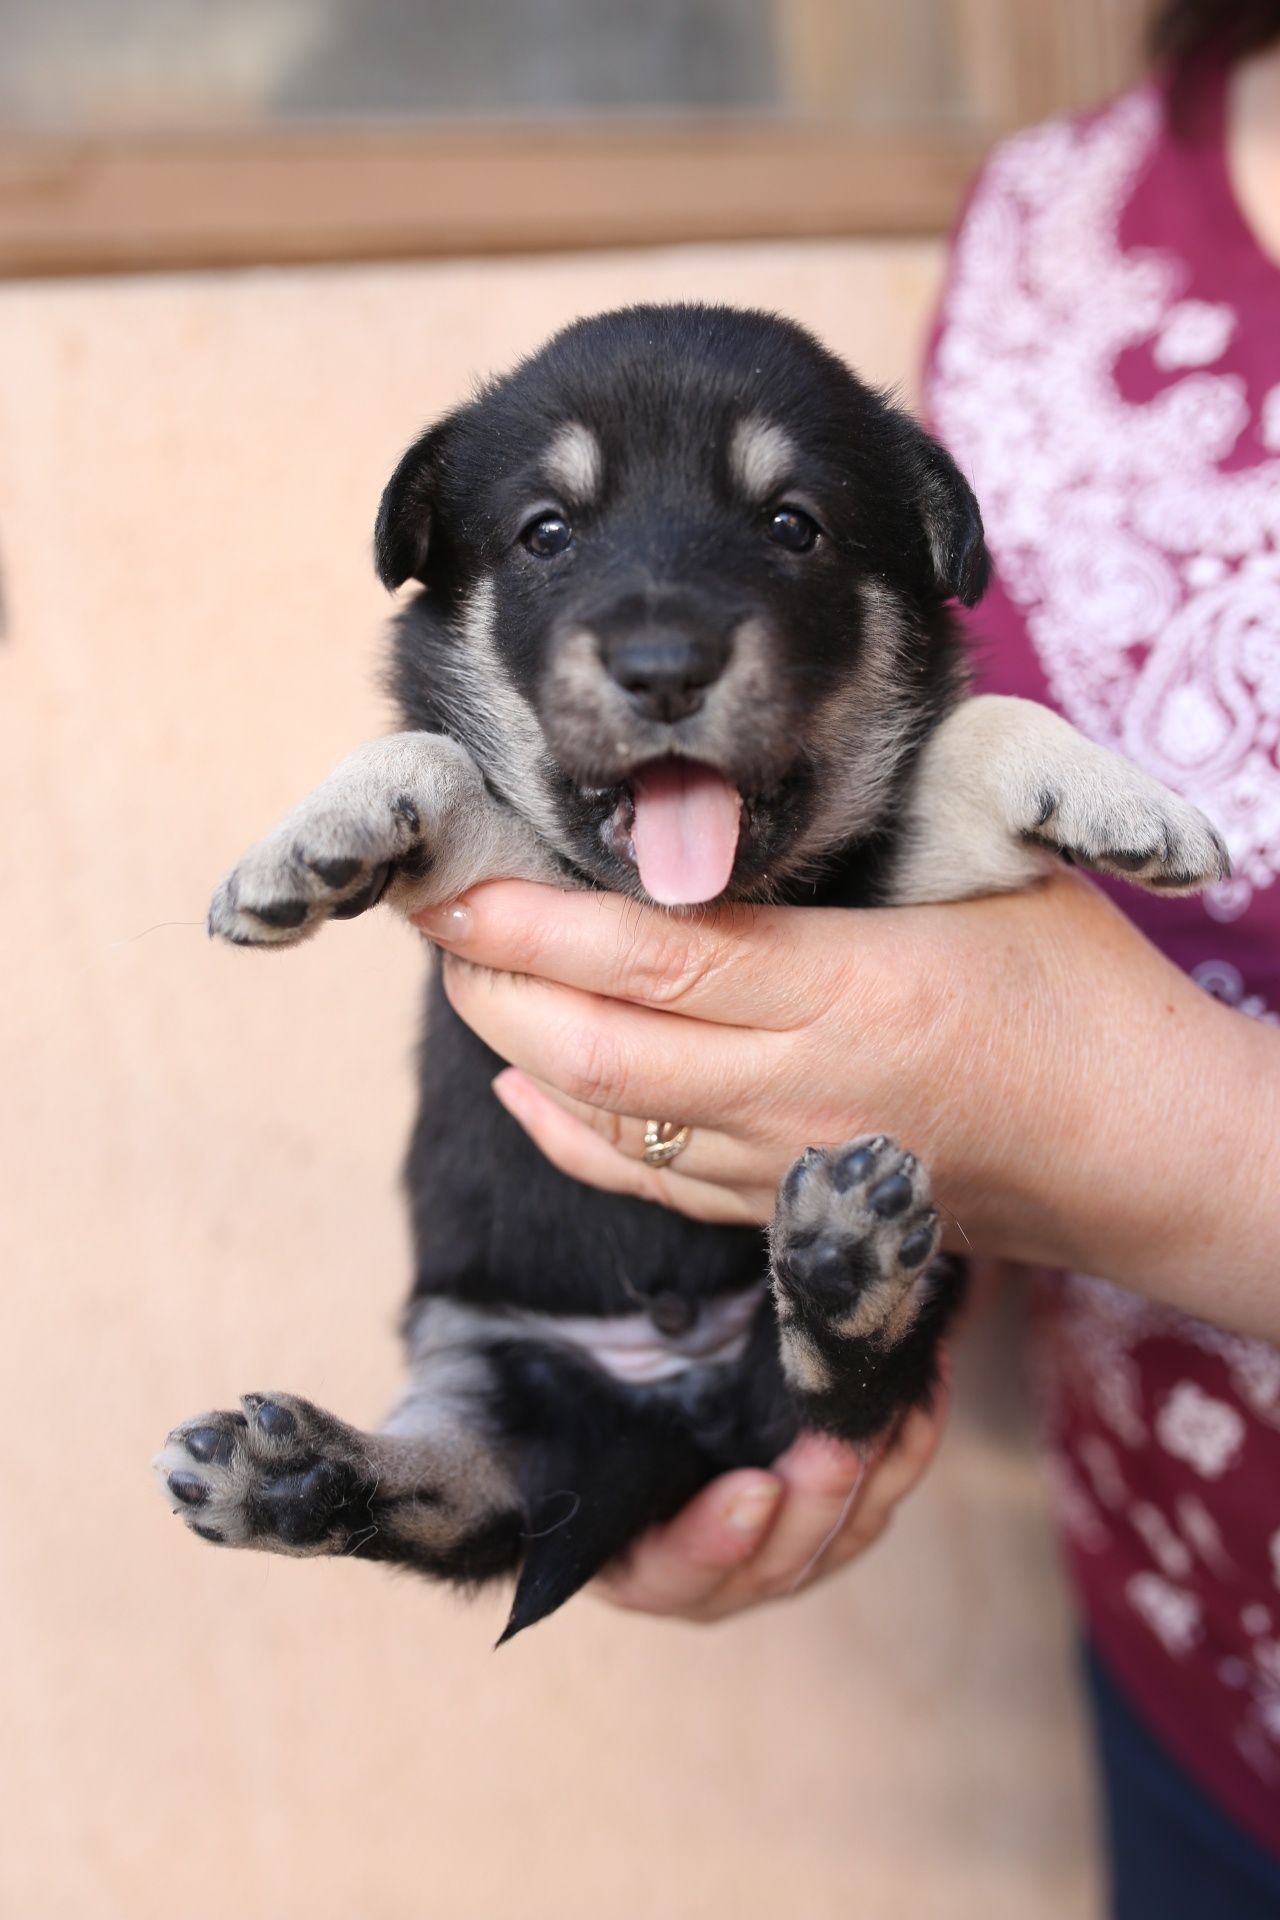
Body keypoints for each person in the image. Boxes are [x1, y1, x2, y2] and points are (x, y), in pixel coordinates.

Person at [415, 3, 1280, 1908]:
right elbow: (875, 813)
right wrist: (677, 1356)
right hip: (1190, 1646)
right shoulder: (1062, 213)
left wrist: (1155, 1137)